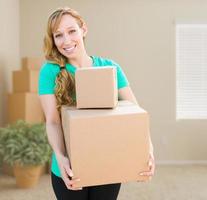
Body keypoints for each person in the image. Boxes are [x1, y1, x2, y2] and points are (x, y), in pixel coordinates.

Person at [38, 7, 155, 200]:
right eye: (58, 35)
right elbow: (52, 121)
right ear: (53, 39)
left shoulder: (110, 69)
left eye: (71, 31)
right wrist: (60, 157)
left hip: (107, 163)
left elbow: (136, 116)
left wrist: (147, 150)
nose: (66, 40)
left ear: (83, 29)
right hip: (69, 168)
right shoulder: (50, 72)